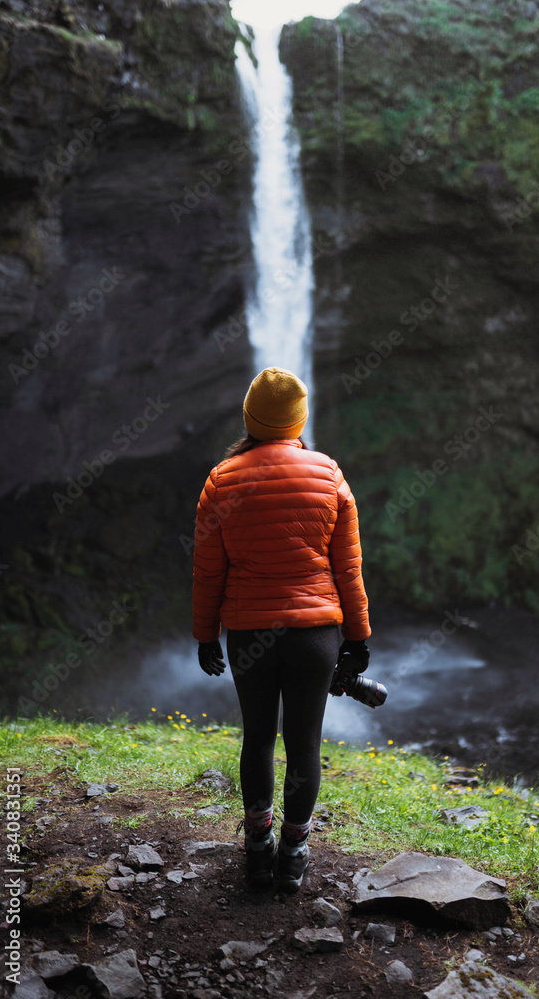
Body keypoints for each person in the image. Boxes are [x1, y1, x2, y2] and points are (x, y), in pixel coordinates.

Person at [192, 367, 372, 892]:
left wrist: (205, 634)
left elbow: (209, 570)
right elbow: (348, 570)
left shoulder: (222, 479)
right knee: (304, 743)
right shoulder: (329, 475)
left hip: (249, 634)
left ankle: (256, 848)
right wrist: (357, 637)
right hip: (316, 635)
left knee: (258, 739)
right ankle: (293, 853)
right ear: (299, 419)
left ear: (250, 418)